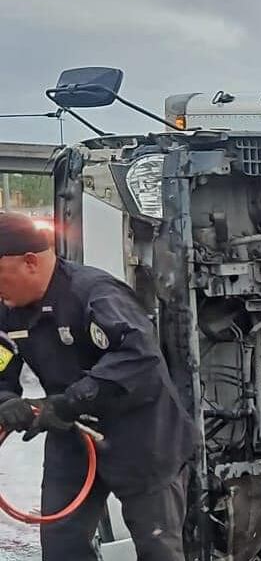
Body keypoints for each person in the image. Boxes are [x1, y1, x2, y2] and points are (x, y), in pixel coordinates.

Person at [0, 212, 194, 561]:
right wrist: (6, 398)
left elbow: (139, 358)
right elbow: (2, 362)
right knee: (61, 547)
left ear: (29, 262)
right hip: (71, 434)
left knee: (157, 548)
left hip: (142, 436)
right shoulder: (8, 309)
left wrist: (70, 401)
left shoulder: (95, 294)